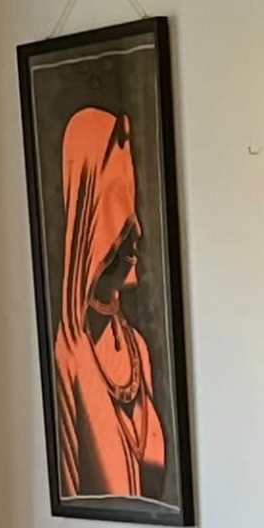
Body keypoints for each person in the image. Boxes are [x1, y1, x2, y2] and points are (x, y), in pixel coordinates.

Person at [47, 103, 171, 503]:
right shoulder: (68, 359)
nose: (136, 228)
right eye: (119, 207)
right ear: (89, 216)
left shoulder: (137, 350)